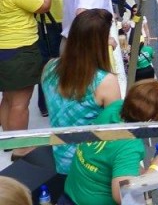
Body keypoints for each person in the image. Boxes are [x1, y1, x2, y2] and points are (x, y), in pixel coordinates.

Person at [62, 79, 158, 205]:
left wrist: (144, 173)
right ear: (154, 117)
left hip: (72, 192)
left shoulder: (115, 107)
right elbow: (123, 195)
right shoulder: (130, 145)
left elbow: (115, 157)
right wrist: (156, 168)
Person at [41, 9, 121, 176]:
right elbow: (115, 130)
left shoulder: (49, 67)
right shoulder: (105, 81)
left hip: (61, 158)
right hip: (89, 166)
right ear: (99, 43)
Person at [0, 0, 51, 158]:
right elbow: (44, 5)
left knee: (8, 99)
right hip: (20, 51)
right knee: (21, 103)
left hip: (3, 51)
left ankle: (8, 142)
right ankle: (21, 148)